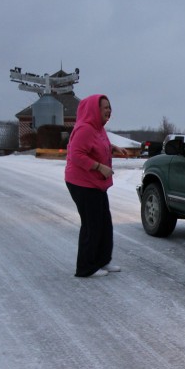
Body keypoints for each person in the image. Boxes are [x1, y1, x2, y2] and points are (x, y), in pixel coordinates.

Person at [65, 94, 128, 278]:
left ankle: (102, 260)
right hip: (82, 183)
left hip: (96, 183)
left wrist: (114, 148)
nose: (108, 111)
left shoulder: (98, 128)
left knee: (104, 223)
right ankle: (85, 267)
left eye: (109, 107)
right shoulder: (85, 129)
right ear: (94, 110)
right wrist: (100, 167)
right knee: (92, 225)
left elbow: (100, 143)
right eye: (104, 107)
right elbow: (76, 154)